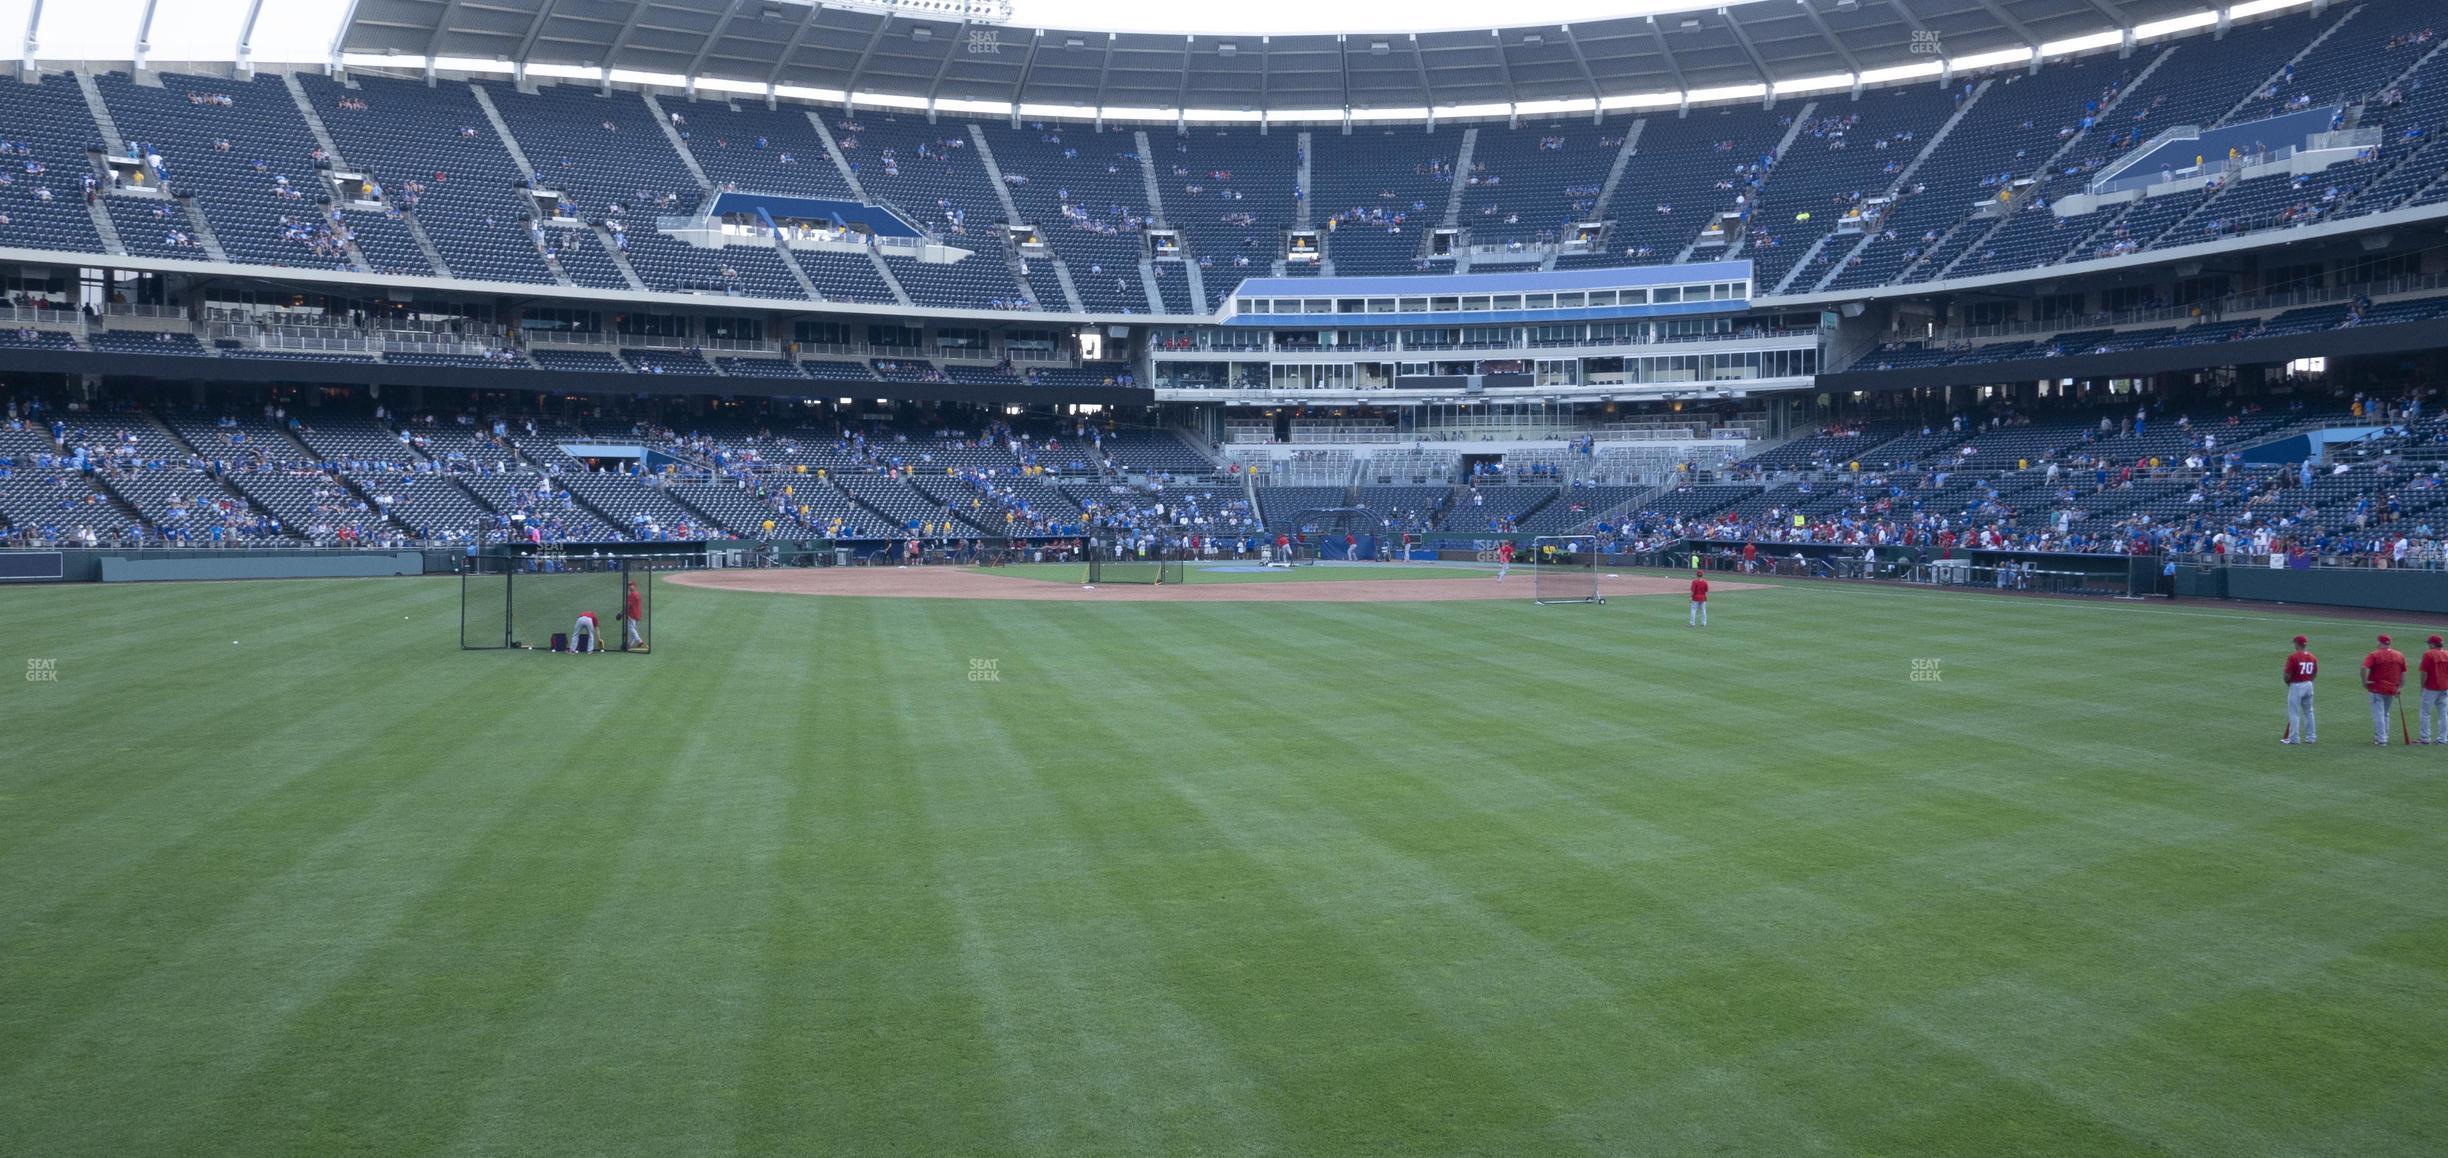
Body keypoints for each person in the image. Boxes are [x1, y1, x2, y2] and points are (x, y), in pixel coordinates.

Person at [2362, 633, 2408, 745]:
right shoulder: (2399, 655)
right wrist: (2400, 687)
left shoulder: (2374, 654)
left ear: (2379, 642)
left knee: (2379, 714)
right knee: (2385, 713)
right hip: (2391, 689)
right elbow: (2404, 672)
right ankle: (2384, 736)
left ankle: (2381, 739)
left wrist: (2365, 681)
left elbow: (2364, 668)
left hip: (2377, 688)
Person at [2282, 634, 2318, 744]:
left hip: (2297, 685)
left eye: (2295, 643)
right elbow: (2315, 672)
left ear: (2298, 644)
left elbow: (2287, 674)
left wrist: (2288, 683)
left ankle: (2294, 738)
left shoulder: (2293, 657)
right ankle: (2311, 737)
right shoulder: (2312, 657)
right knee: (2309, 712)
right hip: (2309, 685)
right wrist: (2309, 681)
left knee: (2293, 712)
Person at [2420, 634, 2448, 745]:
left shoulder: (2428, 654)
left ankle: (2425, 738)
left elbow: (2424, 672)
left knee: (2425, 712)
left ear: (2432, 644)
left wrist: (2422, 686)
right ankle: (2443, 738)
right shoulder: (2447, 654)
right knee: (2443, 713)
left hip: (2431, 687)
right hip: (2445, 687)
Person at [620, 578, 645, 651]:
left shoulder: (632, 595)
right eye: (629, 585)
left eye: (631, 585)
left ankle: (639, 640)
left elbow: (628, 605)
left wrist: (621, 613)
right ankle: (630, 644)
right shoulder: (637, 593)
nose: (629, 587)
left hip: (632, 615)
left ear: (635, 586)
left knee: (631, 629)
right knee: (634, 630)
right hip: (638, 614)